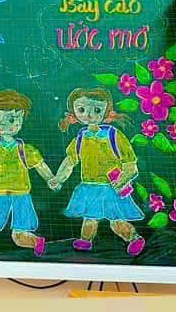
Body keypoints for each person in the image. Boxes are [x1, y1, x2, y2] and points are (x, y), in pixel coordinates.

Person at [51, 87, 146, 256]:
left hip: (110, 187)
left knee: (116, 221)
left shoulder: (114, 135)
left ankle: (134, 239)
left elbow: (130, 163)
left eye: (96, 110)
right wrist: (59, 178)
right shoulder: (80, 137)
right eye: (81, 110)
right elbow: (70, 160)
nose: (89, 115)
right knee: (90, 217)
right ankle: (86, 241)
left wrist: (124, 178)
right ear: (73, 113)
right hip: (89, 186)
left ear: (106, 112)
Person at [0, 90, 56, 256]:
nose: (1, 124)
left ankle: (36, 242)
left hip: (21, 194)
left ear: (22, 119)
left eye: (10, 119)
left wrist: (51, 178)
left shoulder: (25, 150)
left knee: (19, 235)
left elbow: (40, 165)